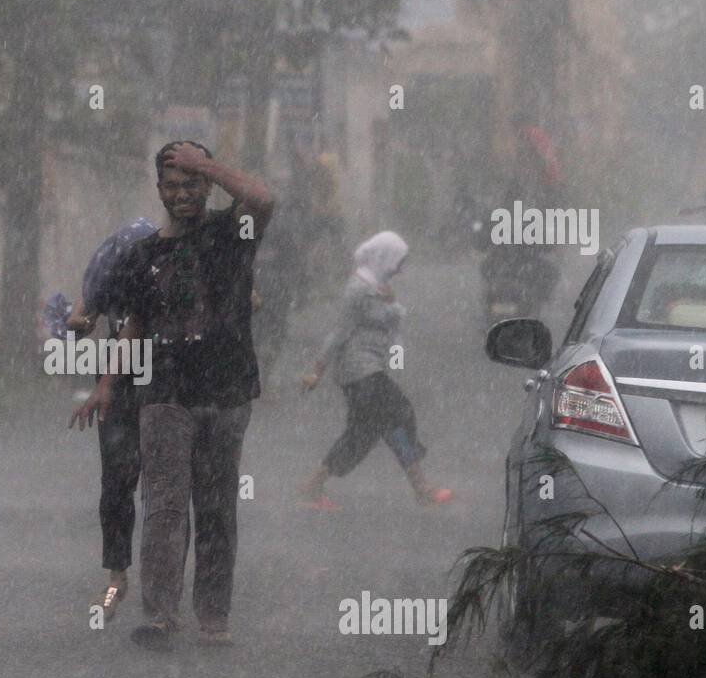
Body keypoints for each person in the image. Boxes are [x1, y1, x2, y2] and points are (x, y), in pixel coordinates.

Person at [72, 141, 275, 649]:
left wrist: (205, 162)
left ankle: (213, 616)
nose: (182, 193)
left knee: (216, 506)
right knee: (163, 504)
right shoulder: (145, 255)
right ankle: (160, 614)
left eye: (191, 184)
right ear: (159, 189)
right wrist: (105, 386)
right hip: (164, 392)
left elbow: (263, 198)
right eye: (172, 185)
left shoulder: (234, 232)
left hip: (226, 391)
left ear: (207, 186)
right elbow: (136, 325)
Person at [298, 231, 453, 510]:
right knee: (395, 416)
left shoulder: (378, 286)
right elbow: (339, 332)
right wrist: (317, 370)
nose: (400, 268)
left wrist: (391, 302)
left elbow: (392, 322)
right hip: (359, 371)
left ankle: (421, 489)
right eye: (398, 261)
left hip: (370, 368)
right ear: (384, 258)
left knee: (370, 430)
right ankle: (422, 489)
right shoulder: (358, 289)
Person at [65, 218, 158, 620]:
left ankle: (161, 582)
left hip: (169, 377)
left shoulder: (170, 265)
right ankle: (117, 576)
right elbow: (82, 315)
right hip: (118, 379)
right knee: (117, 481)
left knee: (165, 485)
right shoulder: (111, 265)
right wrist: (78, 322)